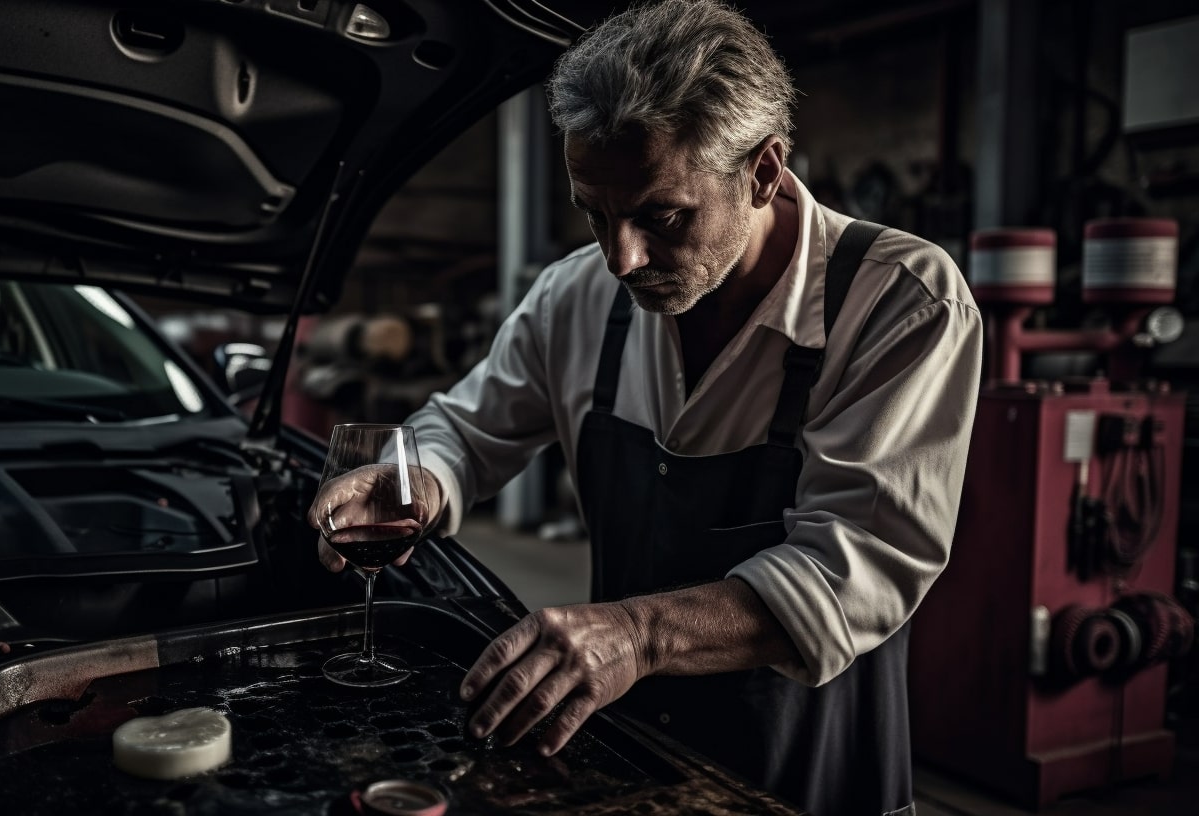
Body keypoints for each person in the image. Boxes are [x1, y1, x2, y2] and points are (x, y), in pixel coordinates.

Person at [314, 1, 983, 813]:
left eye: (661, 217)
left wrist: (636, 633)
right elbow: (463, 429)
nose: (620, 257)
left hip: (810, 773)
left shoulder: (898, 301)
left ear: (764, 171)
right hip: (633, 759)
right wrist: (411, 482)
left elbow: (858, 564)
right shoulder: (574, 295)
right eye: (594, 214)